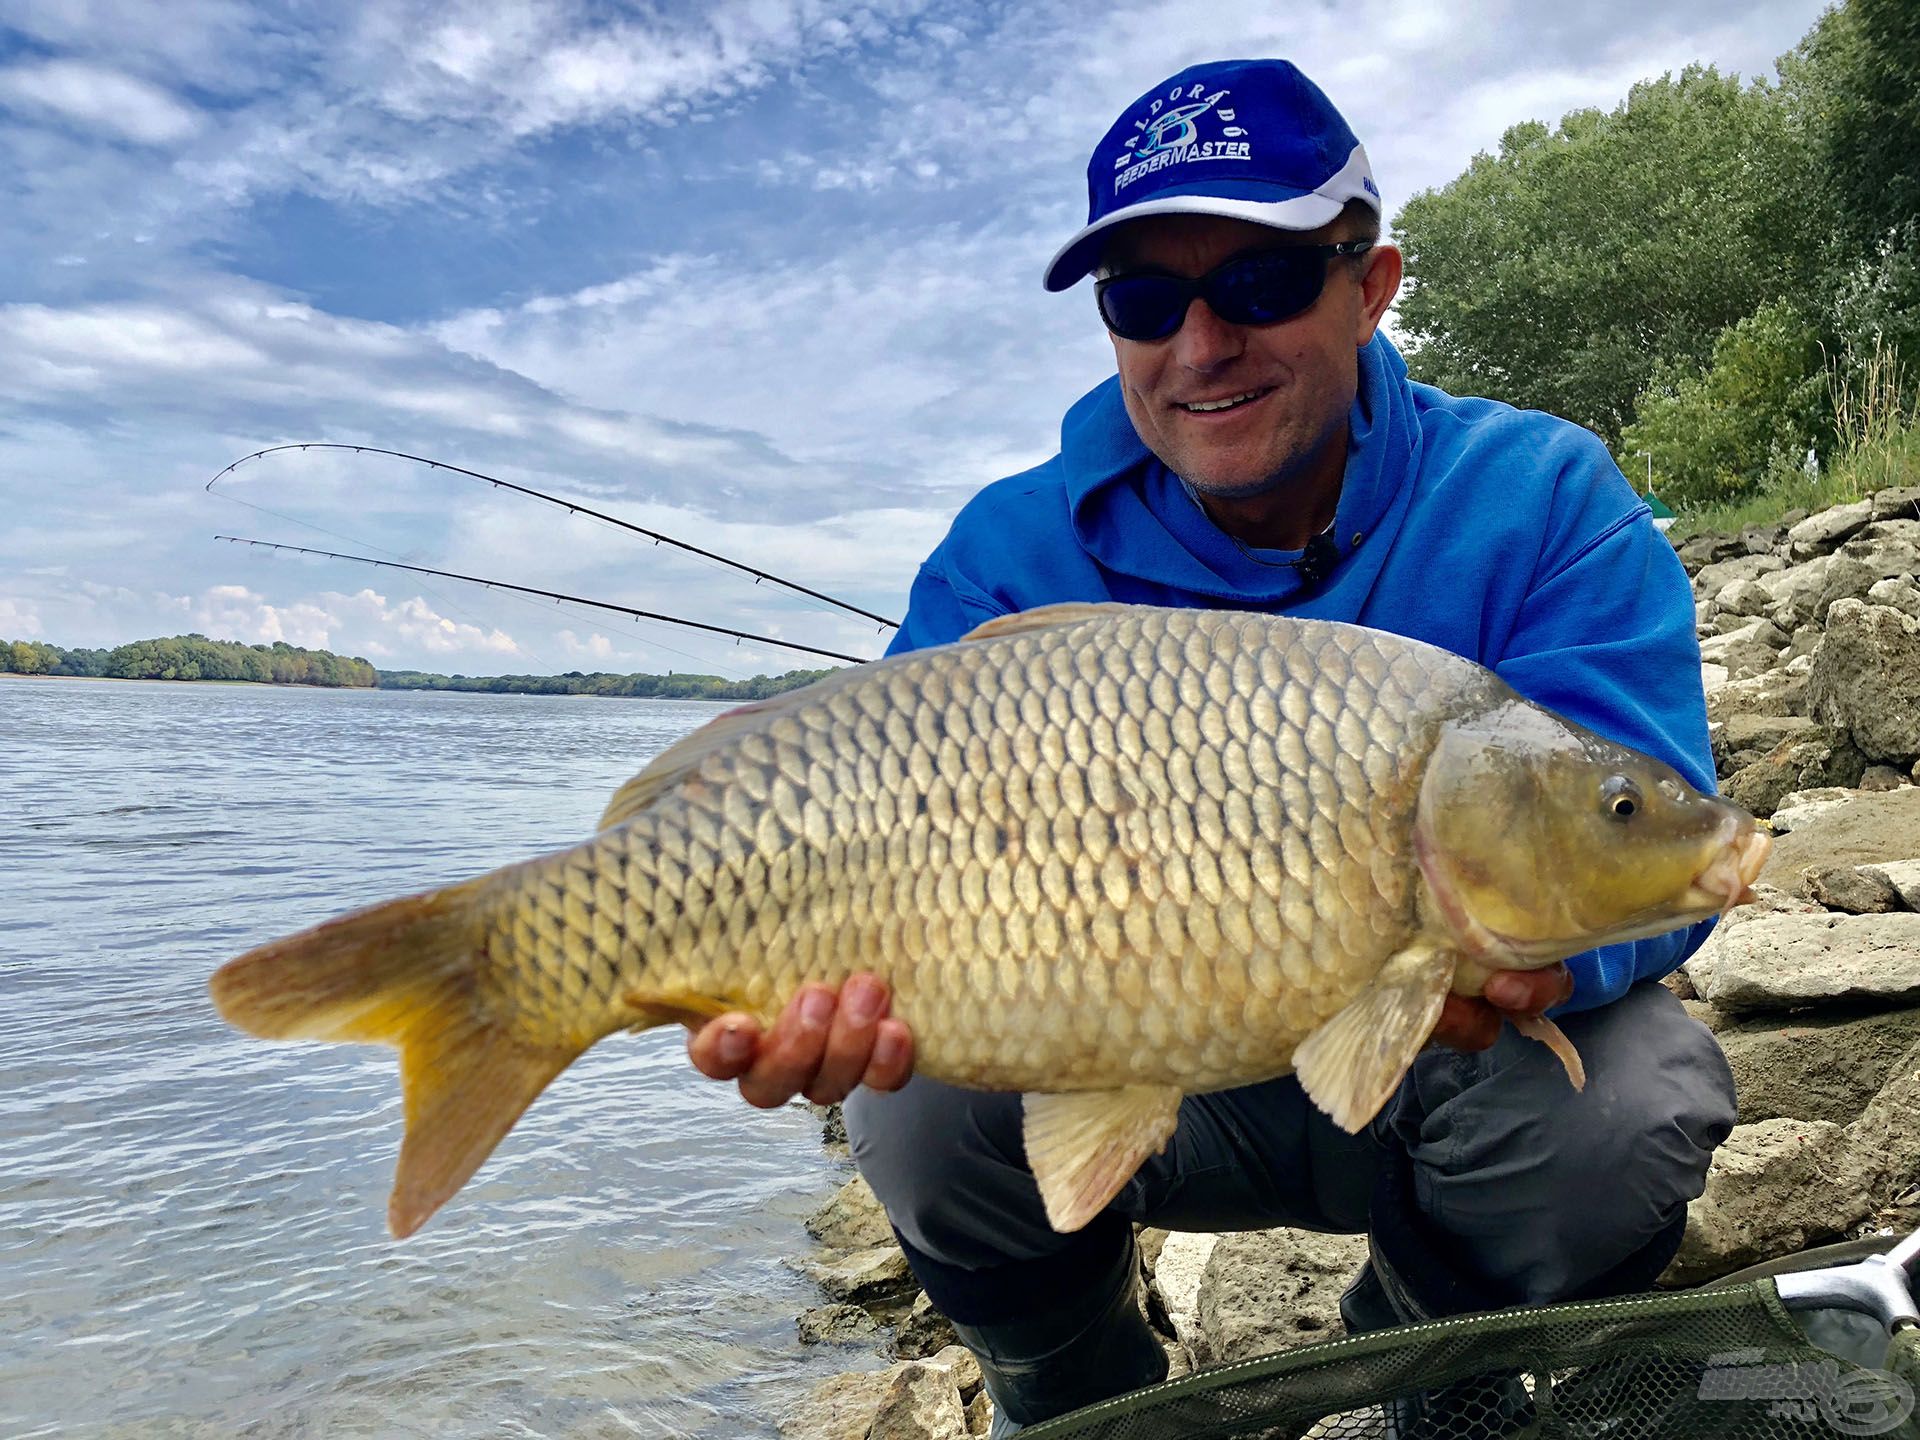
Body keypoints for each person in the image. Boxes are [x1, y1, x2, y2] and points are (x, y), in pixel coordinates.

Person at [688, 58, 1735, 1435]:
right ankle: (1082, 1405)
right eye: (1144, 299)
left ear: (1371, 283)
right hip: (1122, 1056)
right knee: (912, 1109)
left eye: (1258, 282)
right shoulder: (1007, 555)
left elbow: (1635, 834)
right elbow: (868, 866)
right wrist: (799, 1003)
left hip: (1432, 1079)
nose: (1201, 343)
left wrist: (1532, 957)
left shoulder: (1540, 498)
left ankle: (1396, 1377)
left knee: (1632, 1099)